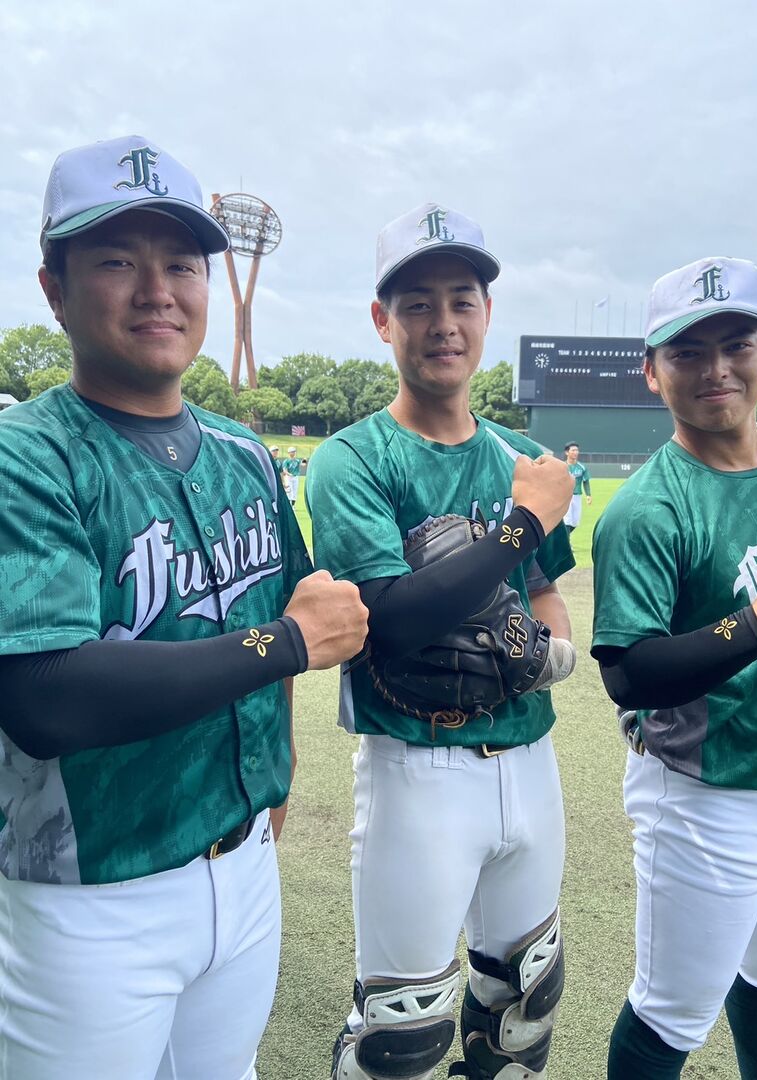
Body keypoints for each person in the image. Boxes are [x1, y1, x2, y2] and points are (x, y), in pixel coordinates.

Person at [0, 134, 368, 1080]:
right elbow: (46, 696)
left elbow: (284, 598)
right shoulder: (26, 455)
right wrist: (287, 645)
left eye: (182, 263)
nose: (158, 290)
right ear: (53, 288)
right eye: (117, 261)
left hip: (242, 869)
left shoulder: (244, 454)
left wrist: (275, 773)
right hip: (89, 895)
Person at [307, 202, 577, 1080]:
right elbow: (391, 620)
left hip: (530, 762)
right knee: (403, 1035)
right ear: (381, 320)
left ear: (487, 314)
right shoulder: (354, 458)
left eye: (462, 300)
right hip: (417, 768)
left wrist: (548, 653)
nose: (444, 323)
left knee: (525, 1002)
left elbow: (545, 592)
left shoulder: (522, 453)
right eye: (417, 304)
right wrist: (519, 524)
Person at [591, 256, 757, 1079]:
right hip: (706, 796)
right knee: (670, 1014)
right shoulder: (649, 507)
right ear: (653, 371)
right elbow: (630, 675)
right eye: (688, 351)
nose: (717, 369)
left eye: (737, 344)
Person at [561, 441, 591, 533]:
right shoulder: (562, 466)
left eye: (577, 450)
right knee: (567, 520)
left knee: (575, 522)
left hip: (577, 495)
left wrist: (588, 495)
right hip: (565, 496)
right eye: (573, 450)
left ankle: (565, 536)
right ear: (567, 452)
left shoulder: (581, 467)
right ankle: (567, 540)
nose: (575, 452)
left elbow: (585, 481)